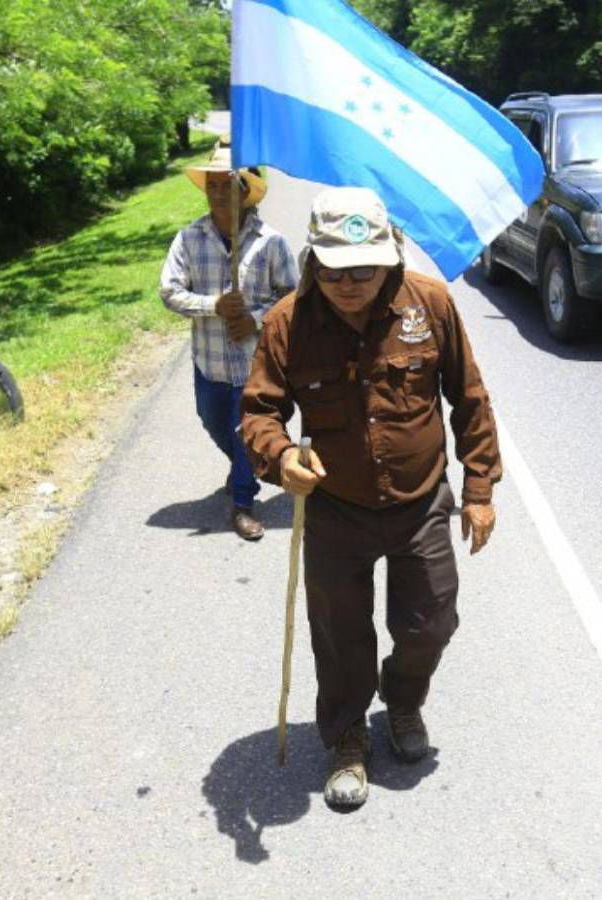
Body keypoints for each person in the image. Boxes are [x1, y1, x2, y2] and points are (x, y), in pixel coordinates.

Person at [241, 187, 501, 809]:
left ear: (390, 257)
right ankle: (347, 736)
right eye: (335, 270)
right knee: (338, 635)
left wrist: (479, 488)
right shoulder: (287, 323)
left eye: (364, 269)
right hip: (334, 508)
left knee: (431, 622)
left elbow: (469, 398)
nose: (349, 283)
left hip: (420, 502)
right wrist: (281, 456)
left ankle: (403, 701)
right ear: (313, 261)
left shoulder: (429, 304)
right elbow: (259, 412)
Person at [160, 159, 298, 540]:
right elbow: (169, 291)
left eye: (227, 185)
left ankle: (242, 502)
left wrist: (255, 319)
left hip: (255, 363)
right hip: (210, 362)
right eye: (213, 186)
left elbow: (292, 297)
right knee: (212, 420)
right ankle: (243, 464)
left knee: (245, 431)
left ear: (245, 190)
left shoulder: (271, 242)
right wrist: (214, 306)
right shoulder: (189, 238)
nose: (218, 194)